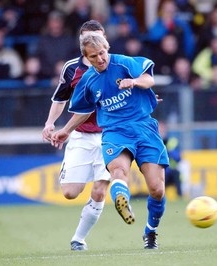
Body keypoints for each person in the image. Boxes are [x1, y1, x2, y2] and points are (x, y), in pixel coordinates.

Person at [50, 31, 169, 250]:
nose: (100, 59)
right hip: (115, 132)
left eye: (102, 53)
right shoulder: (87, 81)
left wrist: (134, 82)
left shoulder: (124, 63)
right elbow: (83, 112)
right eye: (93, 56)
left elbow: (149, 78)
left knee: (157, 189)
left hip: (144, 127)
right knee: (118, 172)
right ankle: (122, 201)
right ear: (87, 57)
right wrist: (66, 130)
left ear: (108, 49)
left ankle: (150, 231)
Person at [42, 20, 111, 251]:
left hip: (110, 135)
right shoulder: (71, 68)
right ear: (81, 42)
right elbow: (60, 98)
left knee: (99, 190)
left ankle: (78, 239)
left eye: (99, 38)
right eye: (89, 38)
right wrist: (50, 123)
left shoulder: (115, 64)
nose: (95, 44)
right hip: (81, 136)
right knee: (70, 193)